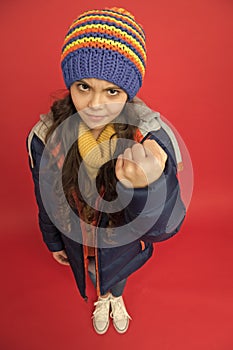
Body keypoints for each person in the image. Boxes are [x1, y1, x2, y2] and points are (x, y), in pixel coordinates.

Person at [26, 7, 186, 335]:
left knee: (117, 271)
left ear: (129, 92)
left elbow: (163, 229)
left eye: (112, 91)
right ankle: (102, 295)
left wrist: (148, 186)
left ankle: (115, 297)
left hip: (121, 239)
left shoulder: (151, 137)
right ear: (70, 83)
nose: (94, 104)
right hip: (78, 237)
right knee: (94, 270)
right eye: (83, 86)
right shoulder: (44, 137)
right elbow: (45, 199)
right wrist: (52, 240)